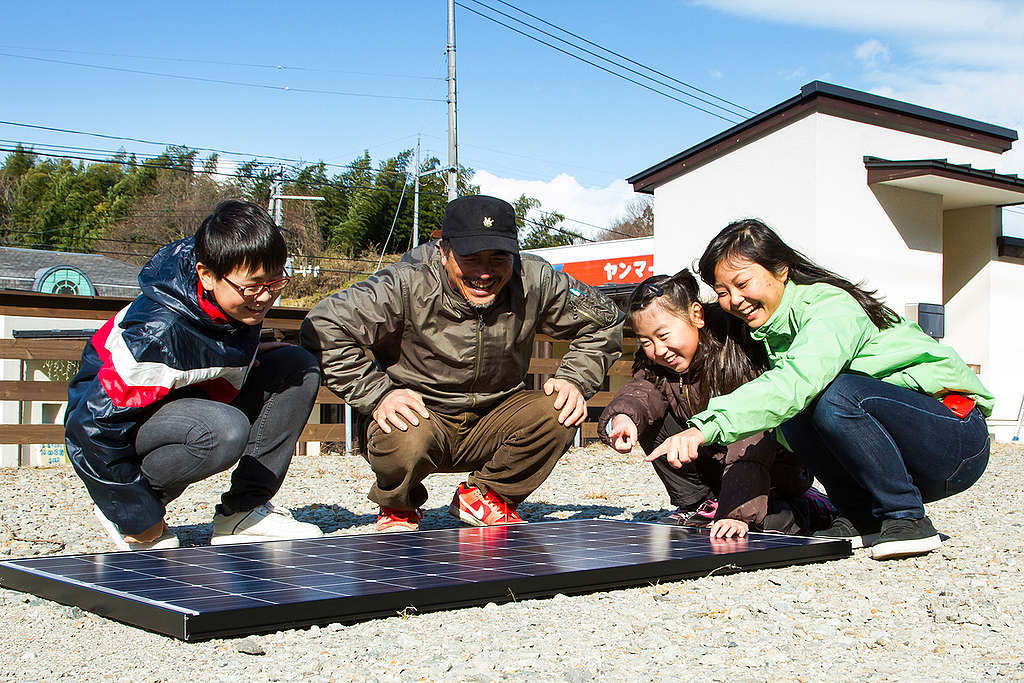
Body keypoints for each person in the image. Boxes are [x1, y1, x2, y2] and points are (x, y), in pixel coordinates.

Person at [654, 218, 993, 560]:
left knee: (833, 394)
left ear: (781, 269)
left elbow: (796, 380)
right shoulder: (770, 334)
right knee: (797, 410)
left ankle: (906, 516)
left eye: (742, 283)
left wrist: (705, 428)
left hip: (955, 441)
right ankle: (860, 514)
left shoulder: (830, 307)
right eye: (723, 292)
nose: (734, 300)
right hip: (908, 456)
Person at [301, 194, 623, 532]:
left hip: (497, 415)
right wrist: (377, 394)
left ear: (514, 254)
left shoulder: (535, 279)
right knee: (402, 432)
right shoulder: (405, 282)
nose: (484, 273)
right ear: (444, 252)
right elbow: (323, 325)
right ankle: (399, 506)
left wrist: (575, 378)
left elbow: (606, 319)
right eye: (471, 258)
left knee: (561, 408)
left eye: (498, 258)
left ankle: (487, 496)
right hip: (422, 416)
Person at [65, 200, 324, 551]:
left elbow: (210, 343)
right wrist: (135, 512)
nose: (264, 297)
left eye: (275, 283)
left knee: (296, 365)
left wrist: (245, 358)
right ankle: (133, 511)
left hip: (184, 402)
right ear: (206, 274)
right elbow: (90, 428)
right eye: (253, 287)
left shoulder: (232, 286)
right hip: (121, 423)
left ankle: (242, 513)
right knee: (223, 430)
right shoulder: (157, 333)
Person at [598, 270, 833, 538]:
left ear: (696, 315)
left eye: (663, 336)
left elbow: (754, 428)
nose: (659, 350)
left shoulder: (735, 346)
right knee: (647, 415)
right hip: (717, 466)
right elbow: (641, 391)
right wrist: (622, 418)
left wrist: (736, 514)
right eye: (647, 342)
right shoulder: (659, 365)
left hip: (773, 469)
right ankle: (699, 503)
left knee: (760, 527)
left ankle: (811, 506)